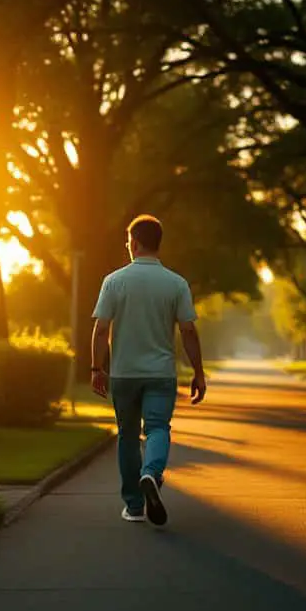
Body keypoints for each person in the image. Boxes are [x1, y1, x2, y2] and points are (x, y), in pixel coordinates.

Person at [90, 214, 206, 526]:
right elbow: (189, 331)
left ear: (135, 244)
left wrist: (96, 368)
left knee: (127, 436)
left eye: (129, 242)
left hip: (124, 374)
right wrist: (199, 372)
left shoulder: (114, 281)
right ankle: (151, 474)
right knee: (157, 428)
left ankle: (135, 506)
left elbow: (101, 330)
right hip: (160, 374)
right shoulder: (176, 283)